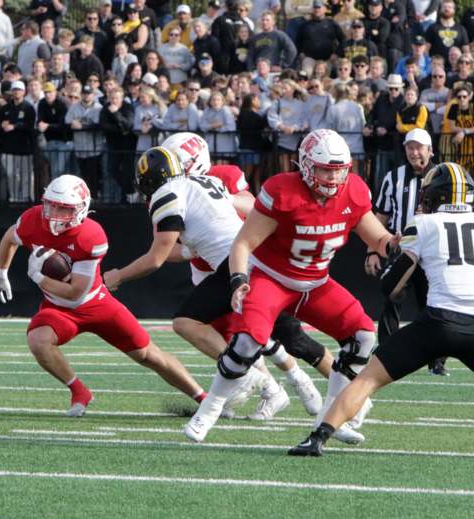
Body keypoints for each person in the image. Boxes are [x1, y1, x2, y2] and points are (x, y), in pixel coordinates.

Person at [184, 129, 398, 444]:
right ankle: (209, 410)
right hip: (272, 278)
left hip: (316, 283)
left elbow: (379, 239)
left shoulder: (354, 191)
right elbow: (244, 242)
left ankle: (332, 417)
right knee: (247, 342)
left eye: (339, 169)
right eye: (326, 168)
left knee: (363, 335)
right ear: (307, 165)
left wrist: (402, 242)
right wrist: (239, 279)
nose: (334, 176)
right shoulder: (282, 191)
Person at [103, 147, 325, 420]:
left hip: (237, 264)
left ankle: (259, 376)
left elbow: (156, 258)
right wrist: (190, 250)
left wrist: (118, 276)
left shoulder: (166, 194)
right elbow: (190, 241)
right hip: (247, 258)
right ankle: (286, 383)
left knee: (196, 323)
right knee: (261, 331)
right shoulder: (203, 181)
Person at [289, 162, 474, 456]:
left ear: (434, 195)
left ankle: (318, 438)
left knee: (367, 379)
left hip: (438, 322)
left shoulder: (423, 223)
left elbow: (393, 285)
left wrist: (398, 260)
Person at [0, 174, 208, 416]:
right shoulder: (33, 219)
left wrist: (39, 278)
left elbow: (76, 292)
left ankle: (203, 397)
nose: (53, 213)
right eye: (50, 204)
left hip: (95, 303)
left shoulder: (90, 235)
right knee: (38, 340)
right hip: (58, 309)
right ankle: (79, 391)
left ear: (81, 209)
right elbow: (10, 238)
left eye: (63, 209)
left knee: (148, 355)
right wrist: (1, 271)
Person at [368, 128, 448, 374]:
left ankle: (436, 361)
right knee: (391, 298)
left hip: (433, 253)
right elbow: (379, 216)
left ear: (429, 149)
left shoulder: (444, 177)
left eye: (419, 147)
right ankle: (387, 355)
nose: (414, 152)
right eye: (410, 147)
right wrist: (372, 249)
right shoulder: (393, 178)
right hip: (402, 250)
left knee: (434, 305)